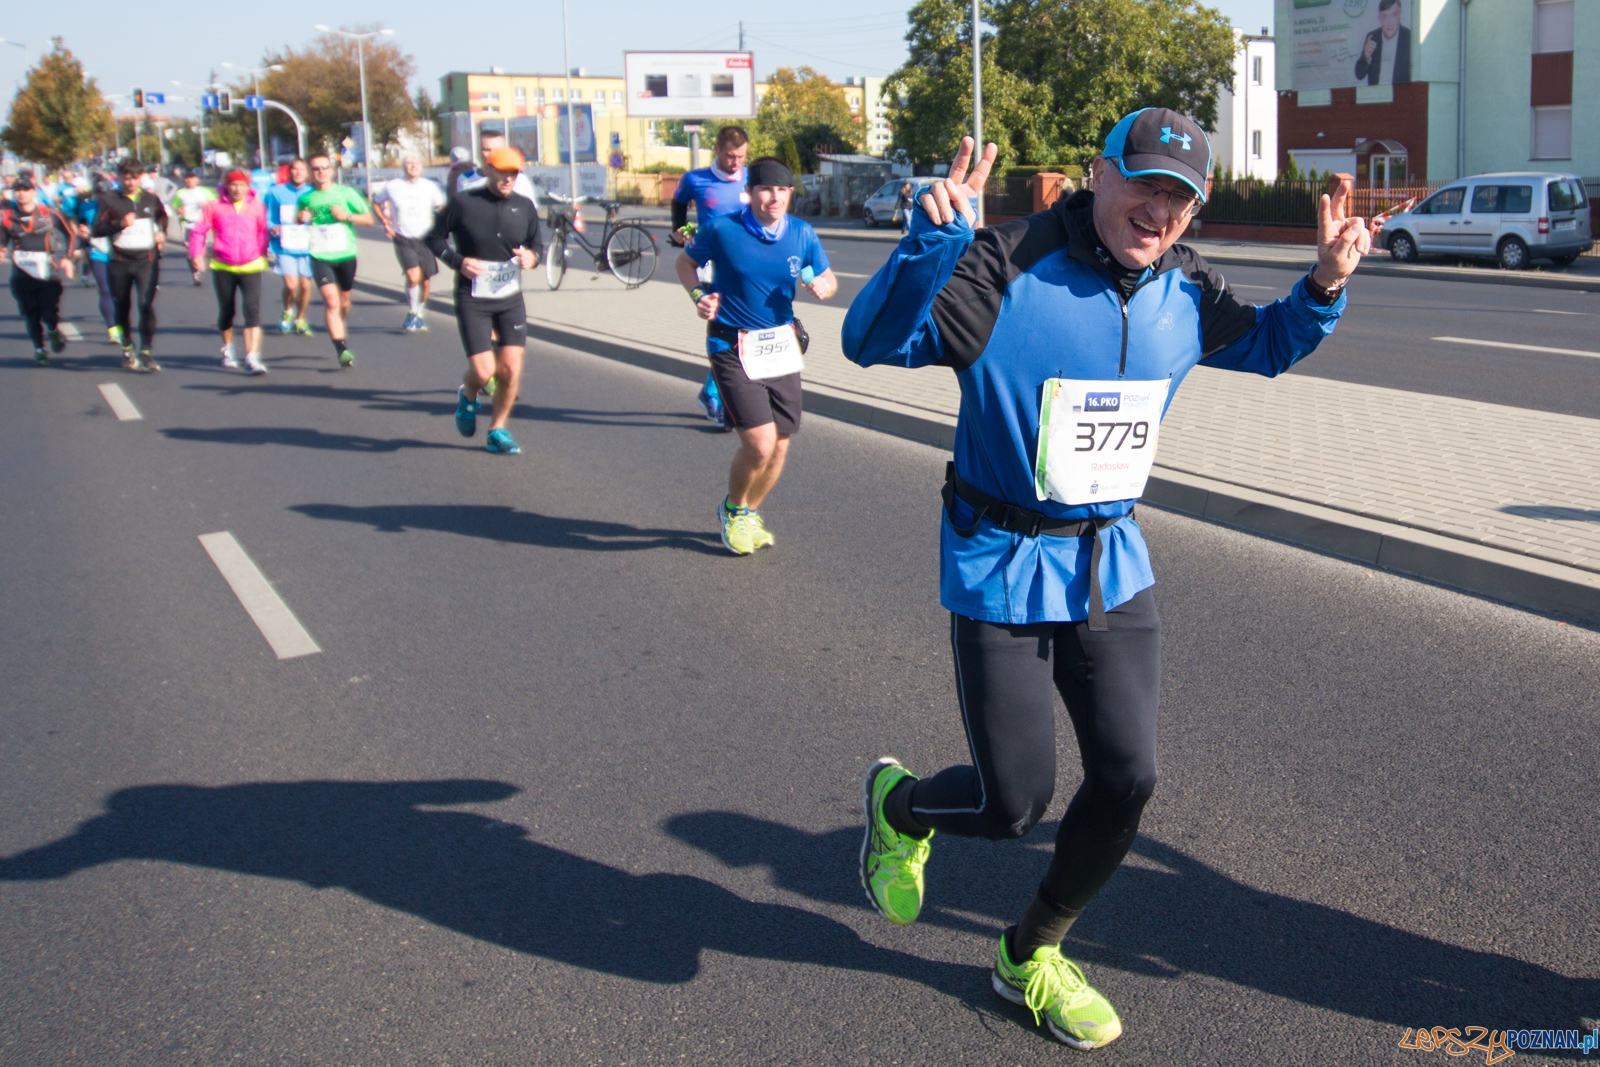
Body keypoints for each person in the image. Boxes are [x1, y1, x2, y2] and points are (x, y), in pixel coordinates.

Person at [843, 108, 1374, 1049]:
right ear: (1098, 174)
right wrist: (931, 245)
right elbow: (874, 342)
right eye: (1144, 184)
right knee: (1012, 805)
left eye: (1180, 197)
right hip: (1002, 559)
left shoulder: (1183, 286)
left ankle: (1030, 954)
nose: (1159, 209)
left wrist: (1326, 284)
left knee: (1129, 776)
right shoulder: (1002, 262)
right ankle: (898, 805)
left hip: (1109, 563)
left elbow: (1268, 344)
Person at [674, 156, 837, 555]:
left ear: (790, 194)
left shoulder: (802, 233)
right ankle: (731, 510)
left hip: (780, 344)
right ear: (750, 192)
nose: (774, 198)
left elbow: (827, 277)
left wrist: (824, 287)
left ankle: (748, 512)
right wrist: (699, 296)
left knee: (781, 443)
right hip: (732, 344)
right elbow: (685, 262)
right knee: (761, 444)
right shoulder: (722, 229)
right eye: (766, 189)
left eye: (782, 190)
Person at [425, 145, 541, 456]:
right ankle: (467, 394)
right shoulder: (464, 203)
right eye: (502, 171)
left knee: (511, 370)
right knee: (483, 371)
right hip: (472, 297)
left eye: (514, 172)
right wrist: (457, 260)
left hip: (509, 298)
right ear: (488, 170)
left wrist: (532, 257)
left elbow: (536, 246)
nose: (508, 178)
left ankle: (497, 430)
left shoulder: (525, 206)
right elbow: (433, 237)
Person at [671, 125, 752, 431]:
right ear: (717, 150)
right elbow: (679, 203)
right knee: (725, 322)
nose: (736, 162)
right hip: (707, 261)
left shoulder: (750, 178)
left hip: (743, 263)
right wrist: (680, 229)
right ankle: (715, 392)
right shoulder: (696, 180)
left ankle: (711, 391)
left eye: (741, 156)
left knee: (738, 326)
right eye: (731, 156)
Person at [189, 170, 270, 375]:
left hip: (251, 265)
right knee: (227, 311)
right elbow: (199, 231)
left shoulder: (256, 207)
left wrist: (263, 253)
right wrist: (196, 254)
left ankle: (252, 356)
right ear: (226, 185)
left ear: (248, 186)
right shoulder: (215, 206)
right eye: (233, 184)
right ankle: (229, 348)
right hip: (223, 265)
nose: (237, 189)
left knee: (252, 310)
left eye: (242, 185)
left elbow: (262, 232)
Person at [297, 153, 373, 368]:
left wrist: (347, 216)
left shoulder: (346, 193)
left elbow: (368, 219)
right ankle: (341, 347)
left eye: (324, 167)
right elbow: (299, 216)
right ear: (311, 172)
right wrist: (301, 218)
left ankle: (338, 322)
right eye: (316, 169)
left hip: (346, 254)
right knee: (331, 301)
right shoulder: (306, 197)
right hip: (320, 255)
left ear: (331, 170)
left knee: (343, 301)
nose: (320, 172)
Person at [93, 158, 169, 371]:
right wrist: (119, 224)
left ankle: (146, 350)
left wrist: (161, 232)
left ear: (141, 177)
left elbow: (162, 219)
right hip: (120, 262)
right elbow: (97, 229)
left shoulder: (151, 199)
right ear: (119, 178)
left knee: (145, 305)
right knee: (122, 305)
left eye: (135, 178)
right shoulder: (109, 200)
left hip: (146, 261)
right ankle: (127, 346)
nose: (131, 182)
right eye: (126, 178)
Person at [1, 177, 75, 365]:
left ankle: (53, 330)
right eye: (17, 190)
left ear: (34, 192)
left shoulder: (49, 213)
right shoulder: (7, 217)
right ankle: (39, 349)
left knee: (49, 311)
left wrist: (67, 257)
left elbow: (70, 233)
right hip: (22, 273)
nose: (21, 193)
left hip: (48, 272)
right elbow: (2, 241)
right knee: (30, 313)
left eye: (25, 189)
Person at [373, 153, 447, 331]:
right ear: (403, 167)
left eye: (416, 163)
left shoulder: (430, 187)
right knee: (413, 277)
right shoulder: (393, 186)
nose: (413, 165)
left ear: (421, 167)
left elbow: (442, 207)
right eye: (409, 163)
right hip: (403, 238)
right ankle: (412, 312)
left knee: (426, 281)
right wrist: (385, 221)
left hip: (426, 239)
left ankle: (419, 312)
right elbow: (375, 202)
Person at [265, 158, 315, 336]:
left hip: (308, 246)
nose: (299, 172)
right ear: (290, 171)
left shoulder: (313, 192)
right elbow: (267, 215)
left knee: (306, 286)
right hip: (285, 246)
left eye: (302, 169)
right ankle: (287, 310)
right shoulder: (275, 192)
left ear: (307, 173)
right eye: (295, 169)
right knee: (292, 285)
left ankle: (300, 319)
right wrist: (272, 227)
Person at [74, 175, 120, 344]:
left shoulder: (118, 206)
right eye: (98, 194)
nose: (102, 197)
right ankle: (113, 328)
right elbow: (81, 228)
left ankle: (119, 320)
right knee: (105, 289)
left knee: (119, 292)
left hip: (118, 253)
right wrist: (79, 247)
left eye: (104, 194)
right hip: (98, 252)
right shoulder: (86, 207)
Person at [455, 131, 539, 205]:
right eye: (487, 149)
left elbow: (530, 213)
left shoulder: (520, 180)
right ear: (478, 150)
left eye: (497, 150)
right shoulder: (464, 179)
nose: (492, 154)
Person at [172, 170, 219, 285]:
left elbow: (217, 203)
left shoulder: (205, 192)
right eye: (187, 178)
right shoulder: (180, 193)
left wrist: (206, 205)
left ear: (197, 179)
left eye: (192, 178)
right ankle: (195, 273)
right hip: (187, 223)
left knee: (201, 249)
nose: (189, 180)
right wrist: (179, 210)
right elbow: (175, 205)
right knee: (190, 251)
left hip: (202, 224)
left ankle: (199, 266)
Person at [1356, 0, 1411, 85]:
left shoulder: (1409, 37)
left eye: (1394, 15)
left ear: (1400, 14)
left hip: (1401, 95)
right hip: (1376, 96)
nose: (1389, 23)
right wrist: (1366, 57)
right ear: (1379, 18)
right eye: (1385, 16)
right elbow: (1359, 74)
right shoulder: (1372, 37)